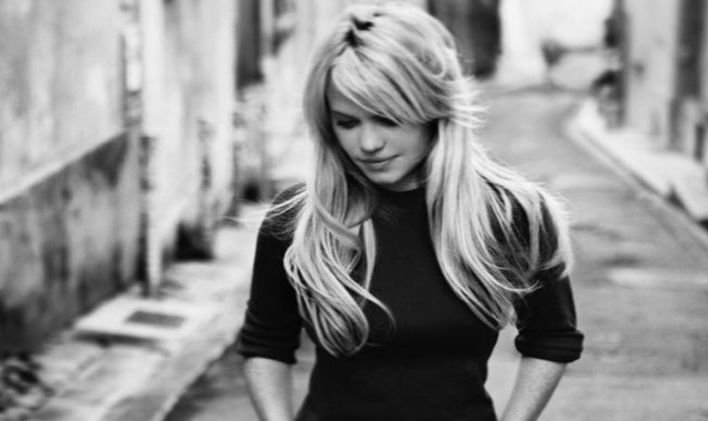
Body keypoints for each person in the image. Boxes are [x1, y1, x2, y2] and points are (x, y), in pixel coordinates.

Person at [237, 3, 583, 420]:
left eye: (387, 118)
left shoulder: (512, 213)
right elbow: (266, 343)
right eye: (347, 122)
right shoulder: (299, 219)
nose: (368, 144)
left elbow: (551, 339)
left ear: (434, 110)